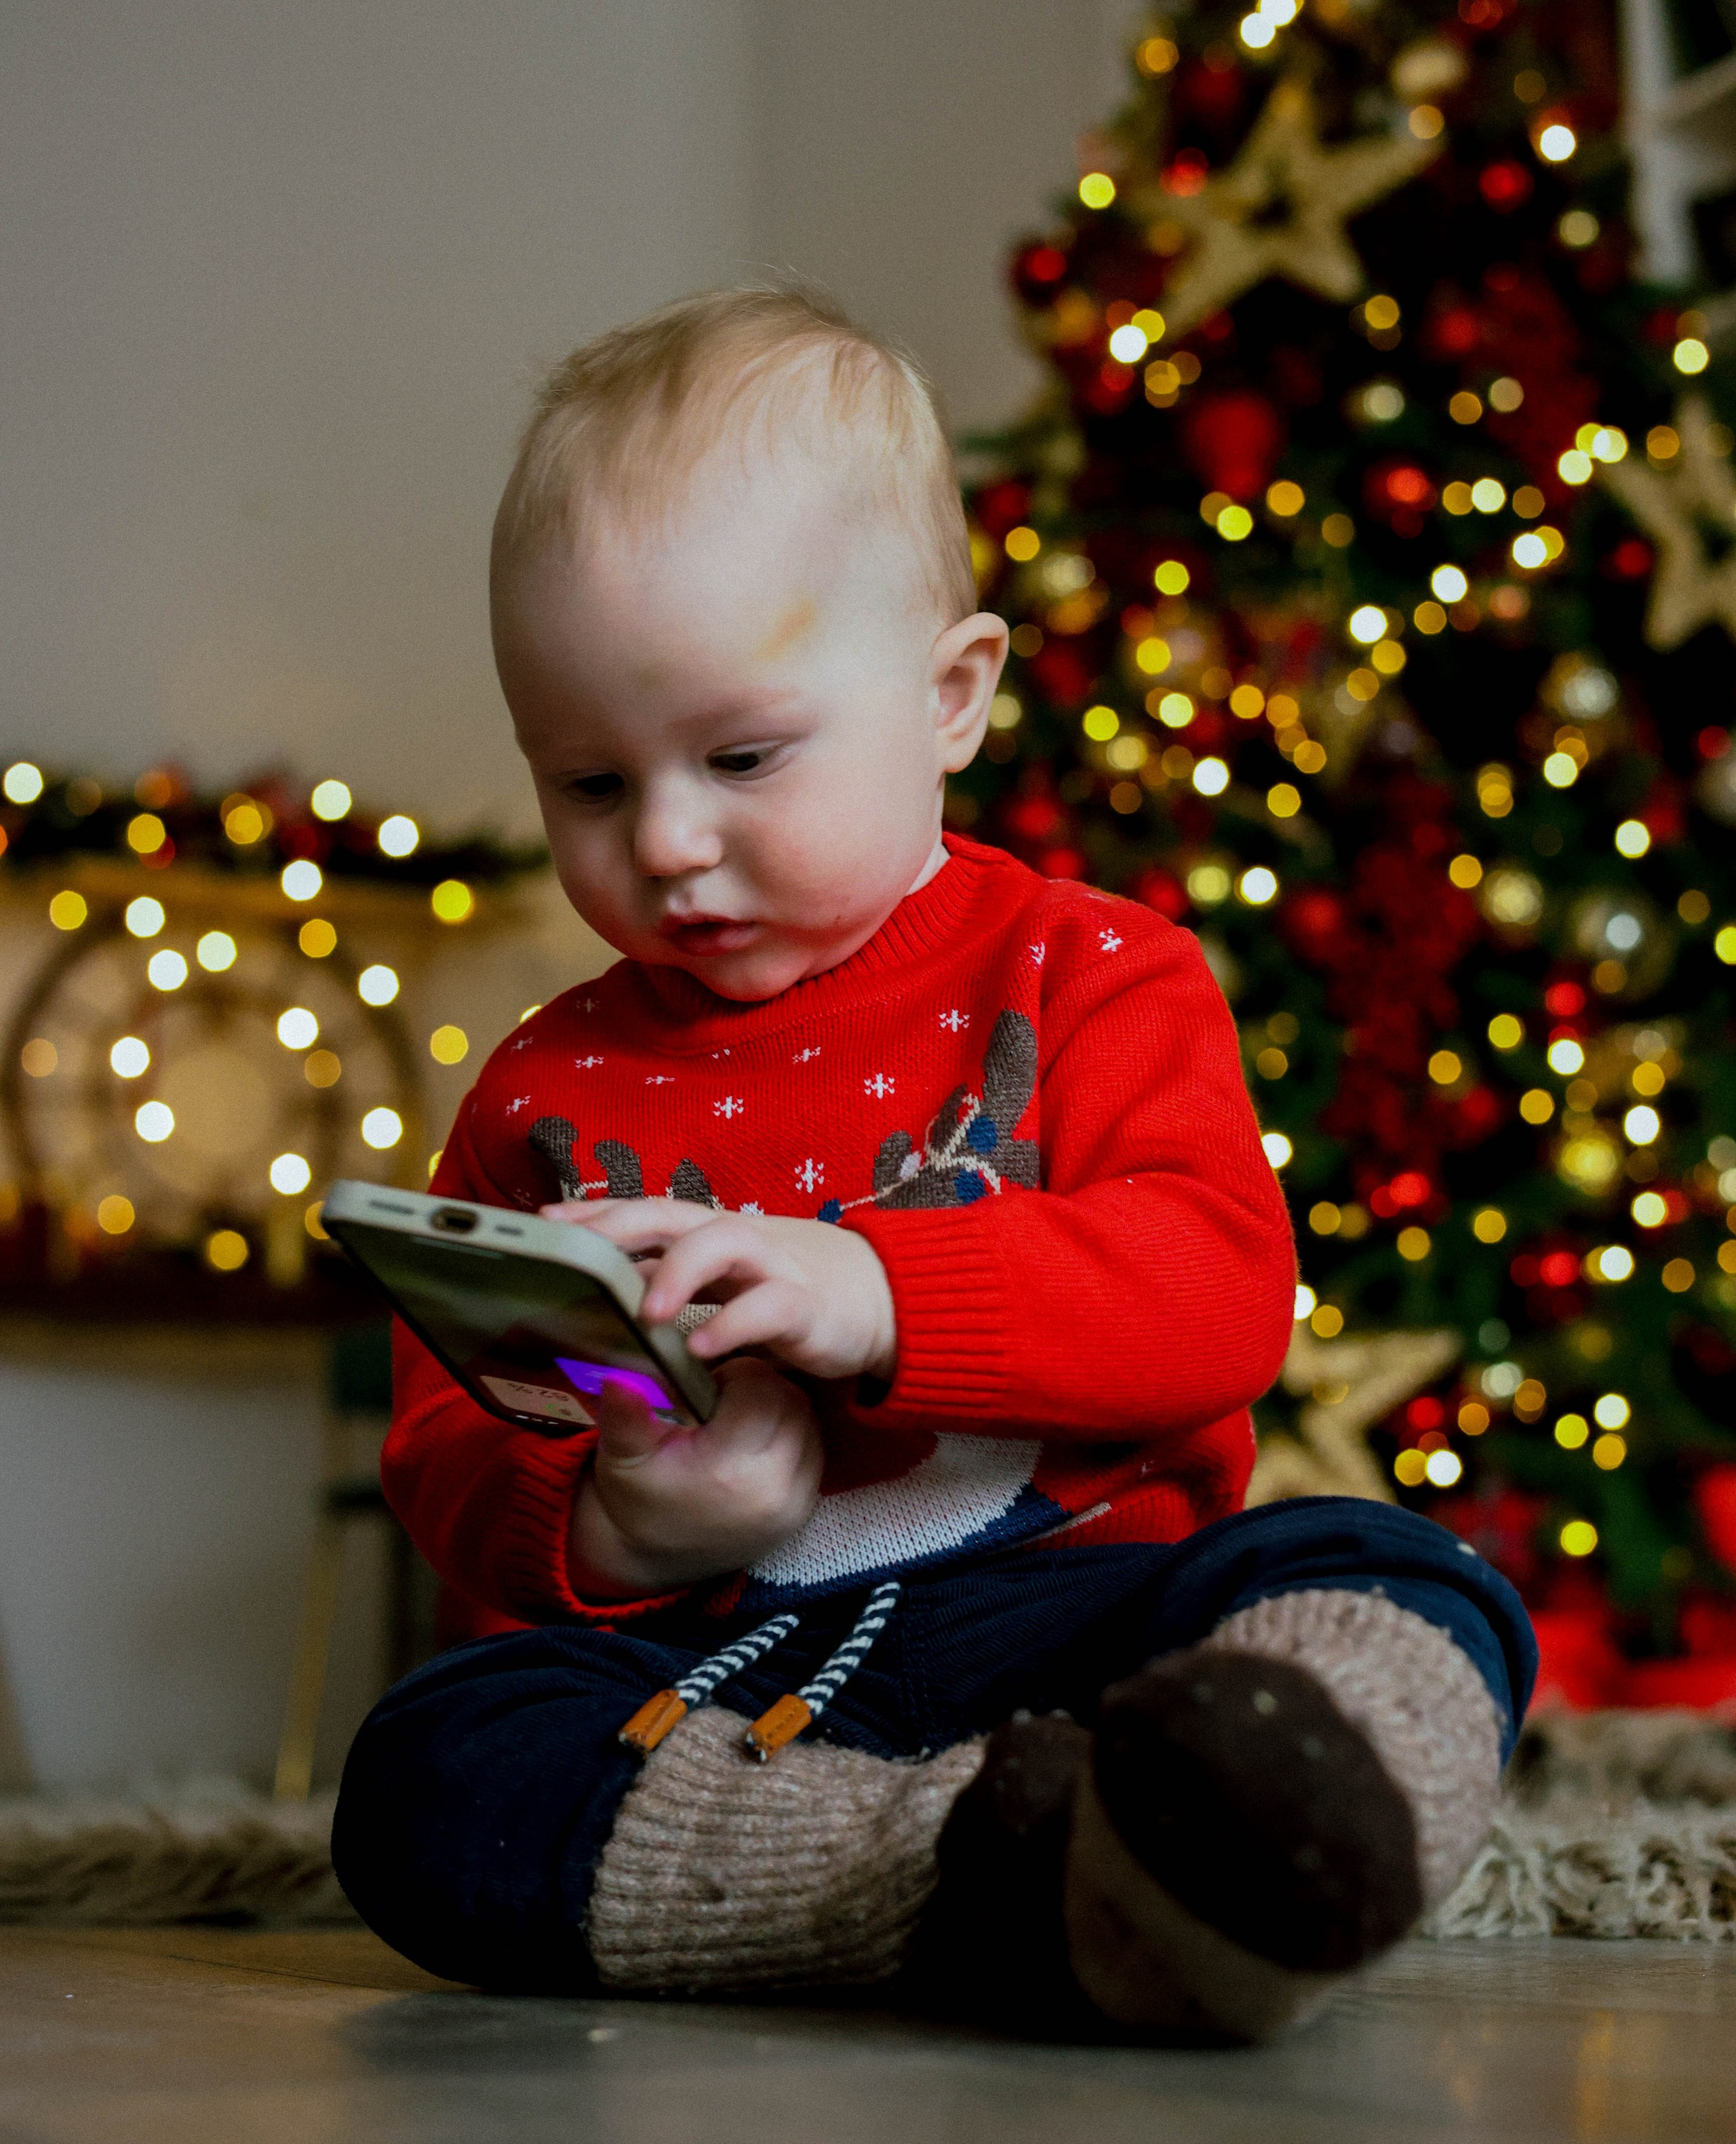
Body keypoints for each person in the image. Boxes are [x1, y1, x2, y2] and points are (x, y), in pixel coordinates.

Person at [332, 282, 1533, 2041]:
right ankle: (952, 1877)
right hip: (726, 1675)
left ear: (952, 695)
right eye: (587, 781)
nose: (665, 842)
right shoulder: (549, 1083)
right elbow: (458, 1426)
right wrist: (621, 1511)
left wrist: (877, 1288)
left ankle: (1229, 1840)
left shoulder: (1088, 972)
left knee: (1394, 1577)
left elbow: (1216, 1289)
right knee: (430, 1773)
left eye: (744, 756)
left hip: (1086, 1625)